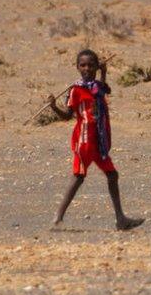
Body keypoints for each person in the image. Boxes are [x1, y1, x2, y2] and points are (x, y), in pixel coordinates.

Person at [47, 49, 144, 231]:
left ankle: (120, 219)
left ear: (96, 67)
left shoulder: (96, 86)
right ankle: (58, 217)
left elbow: (101, 92)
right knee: (78, 177)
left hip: (98, 141)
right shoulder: (75, 90)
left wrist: (104, 72)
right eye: (83, 65)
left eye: (91, 65)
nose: (87, 68)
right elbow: (68, 115)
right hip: (84, 141)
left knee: (112, 175)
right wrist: (53, 107)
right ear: (77, 67)